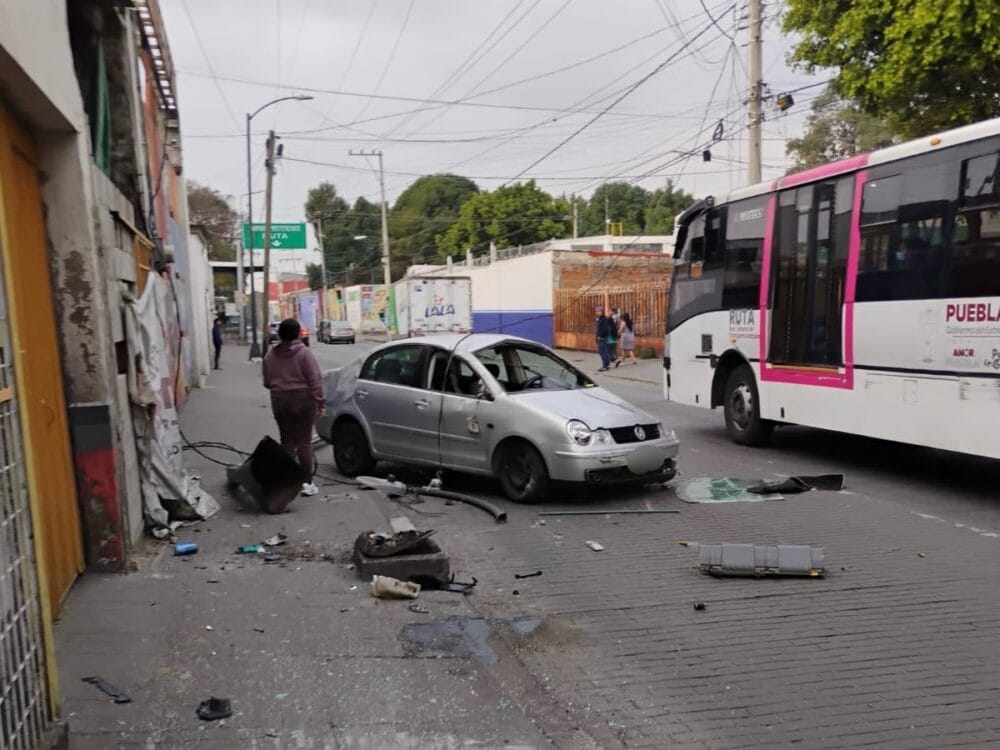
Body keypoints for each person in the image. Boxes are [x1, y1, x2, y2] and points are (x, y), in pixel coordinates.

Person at [262, 318, 324, 497]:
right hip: (303, 400)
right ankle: (307, 483)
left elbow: (267, 383)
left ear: (280, 334)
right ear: (298, 334)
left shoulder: (270, 356)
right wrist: (320, 402)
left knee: (287, 441)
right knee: (304, 442)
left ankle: (288, 482)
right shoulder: (304, 353)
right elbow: (315, 380)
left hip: (280, 401)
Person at [594, 305, 613, 371]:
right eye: (596, 311)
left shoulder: (604, 319)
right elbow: (598, 329)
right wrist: (596, 336)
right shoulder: (599, 319)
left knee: (602, 352)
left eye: (598, 311)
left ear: (602, 311)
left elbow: (604, 329)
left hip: (602, 338)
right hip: (599, 337)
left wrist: (600, 336)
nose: (597, 312)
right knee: (601, 351)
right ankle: (606, 365)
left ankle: (605, 365)